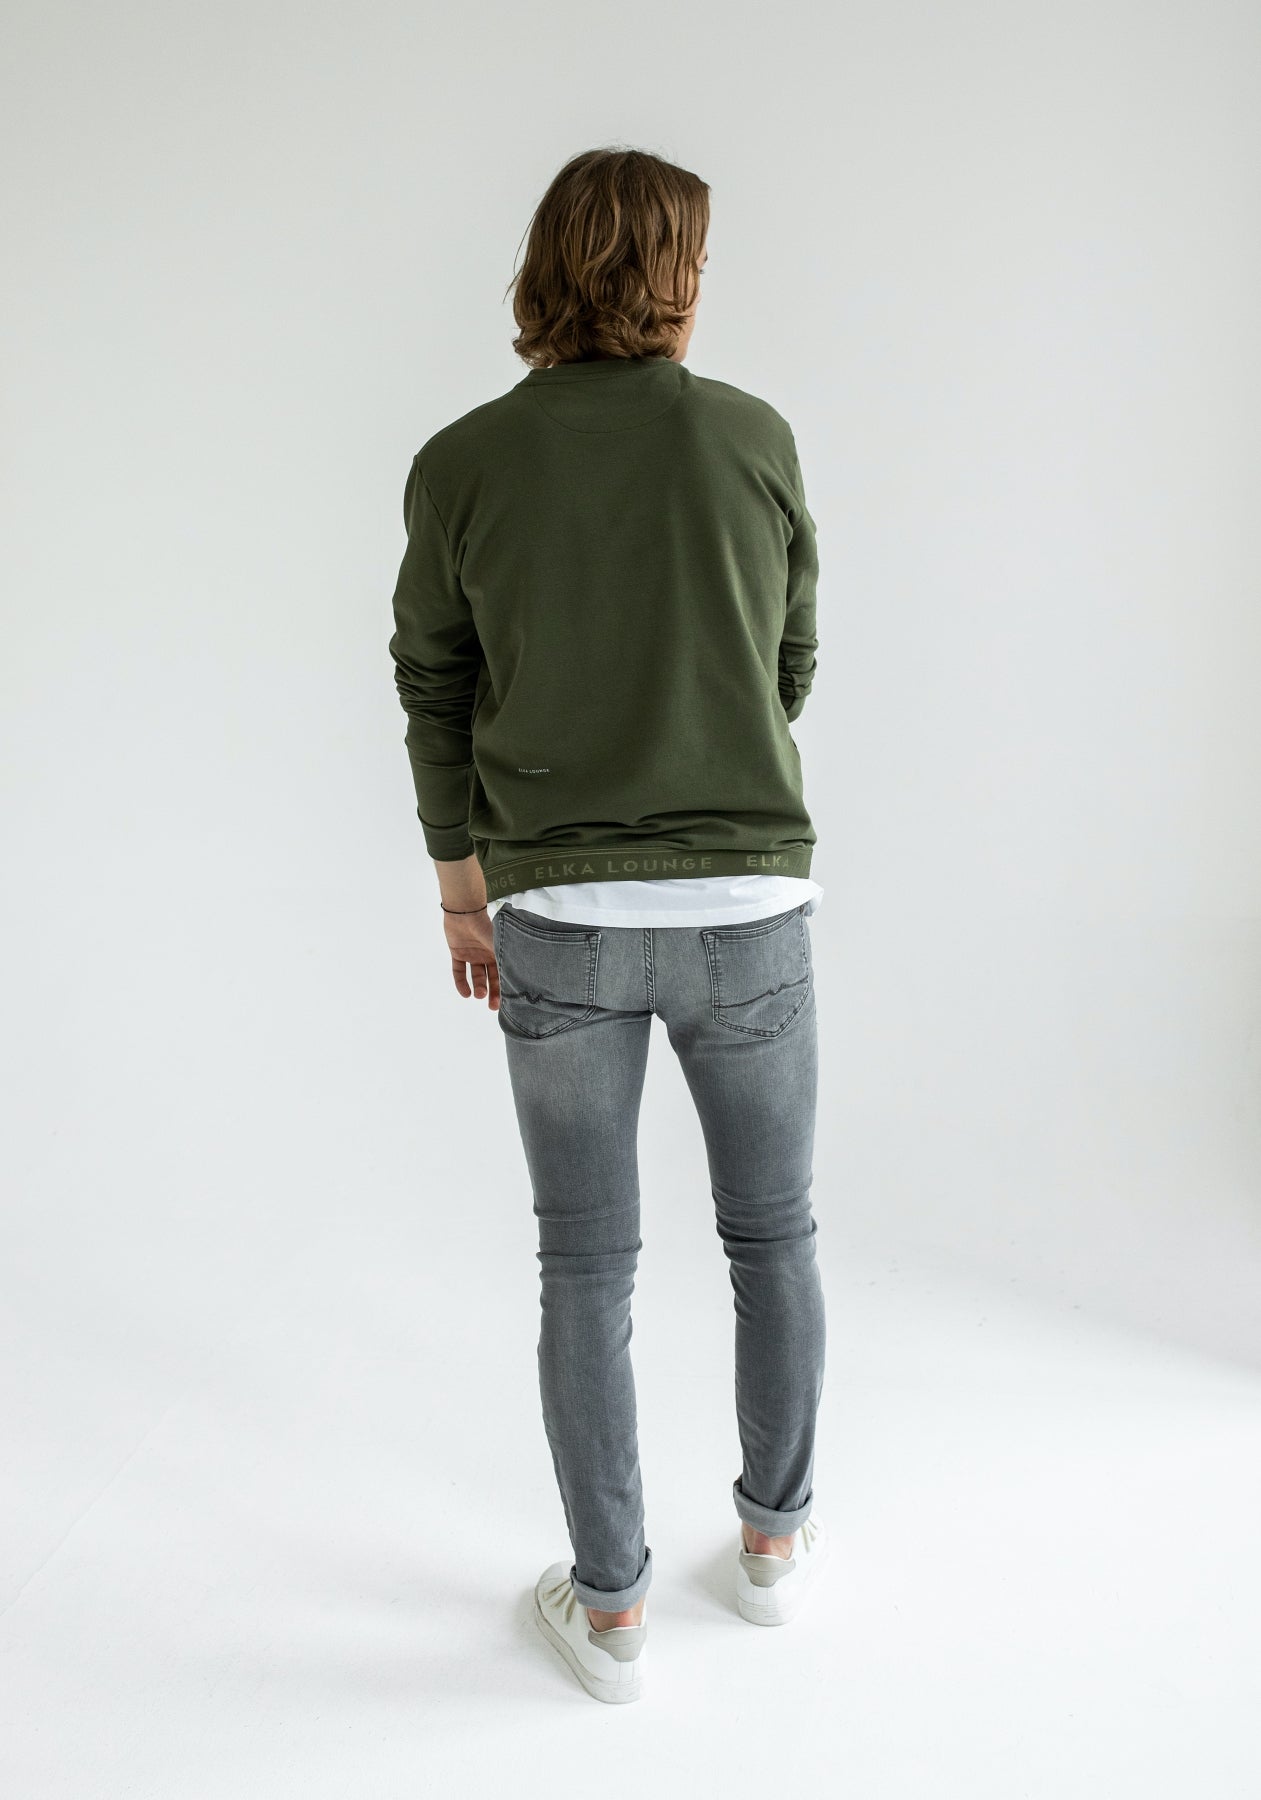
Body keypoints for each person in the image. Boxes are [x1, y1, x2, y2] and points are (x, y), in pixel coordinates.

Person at [387, 146, 829, 1704]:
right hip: (748, 907)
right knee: (772, 1235)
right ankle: (770, 1549)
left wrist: (463, 888)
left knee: (585, 1266)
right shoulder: (751, 436)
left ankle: (615, 1613)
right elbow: (789, 660)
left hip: (556, 915)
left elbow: (433, 688)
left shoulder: (461, 461)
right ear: (674, 278)